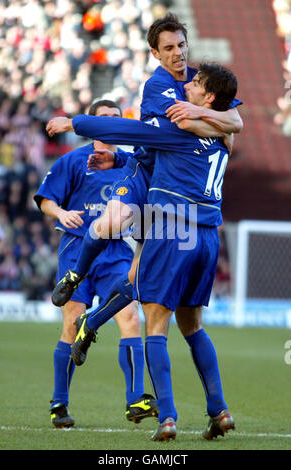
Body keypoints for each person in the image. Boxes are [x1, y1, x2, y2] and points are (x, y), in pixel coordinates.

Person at [46, 14, 242, 441]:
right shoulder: (195, 112)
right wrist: (209, 117)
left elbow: (130, 128)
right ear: (157, 52)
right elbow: (232, 124)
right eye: (169, 49)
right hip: (205, 229)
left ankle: (166, 416)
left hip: (171, 220)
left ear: (207, 95)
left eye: (181, 46)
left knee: (154, 319)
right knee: (189, 323)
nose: (180, 60)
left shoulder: (182, 121)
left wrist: (76, 123)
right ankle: (219, 410)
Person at [34, 99, 158, 428]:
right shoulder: (72, 161)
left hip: (116, 251)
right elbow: (46, 199)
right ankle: (59, 404)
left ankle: (136, 400)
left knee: (131, 318)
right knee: (71, 322)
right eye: (103, 118)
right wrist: (62, 213)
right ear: (91, 122)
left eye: (115, 118)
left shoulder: (132, 162)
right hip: (77, 248)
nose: (109, 123)